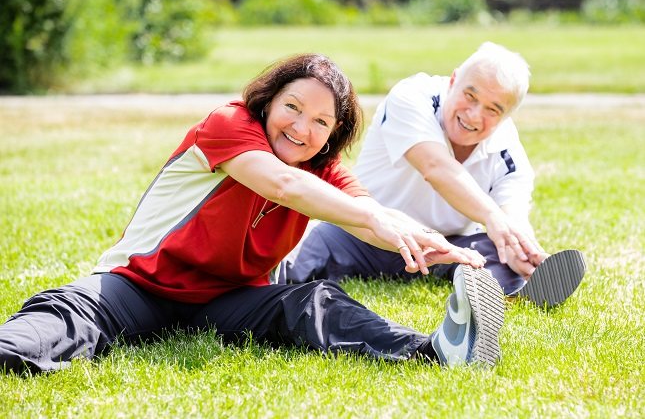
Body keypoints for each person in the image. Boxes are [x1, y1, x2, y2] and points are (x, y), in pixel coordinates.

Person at [0, 53, 505, 375]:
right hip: (138, 286)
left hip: (229, 299)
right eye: (292, 107)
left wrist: (441, 248)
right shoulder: (228, 124)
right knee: (64, 319)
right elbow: (283, 185)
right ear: (268, 101)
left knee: (312, 303)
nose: (301, 128)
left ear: (333, 135)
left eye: (320, 122)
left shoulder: (324, 170)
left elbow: (369, 213)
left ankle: (434, 351)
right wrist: (373, 220)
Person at [280, 43, 586, 307]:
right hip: (362, 233)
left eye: (493, 109)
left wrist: (521, 247)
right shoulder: (412, 96)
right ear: (453, 81)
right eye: (470, 95)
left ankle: (521, 286)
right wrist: (494, 218)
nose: (474, 114)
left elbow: (512, 214)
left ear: (506, 116)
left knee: (494, 248)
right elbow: (435, 168)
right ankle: (271, 281)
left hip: (441, 248)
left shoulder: (508, 152)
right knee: (307, 254)